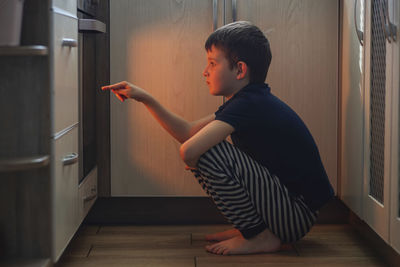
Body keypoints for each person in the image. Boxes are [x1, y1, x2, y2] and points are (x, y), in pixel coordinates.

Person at [101, 21, 334, 255]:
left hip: (294, 214)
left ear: (240, 70)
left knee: (209, 152)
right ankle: (253, 229)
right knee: (203, 148)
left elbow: (189, 149)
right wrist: (144, 97)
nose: (205, 71)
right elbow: (188, 132)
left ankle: (259, 235)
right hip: (288, 210)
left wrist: (194, 161)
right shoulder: (248, 101)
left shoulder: (249, 104)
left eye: (212, 63)